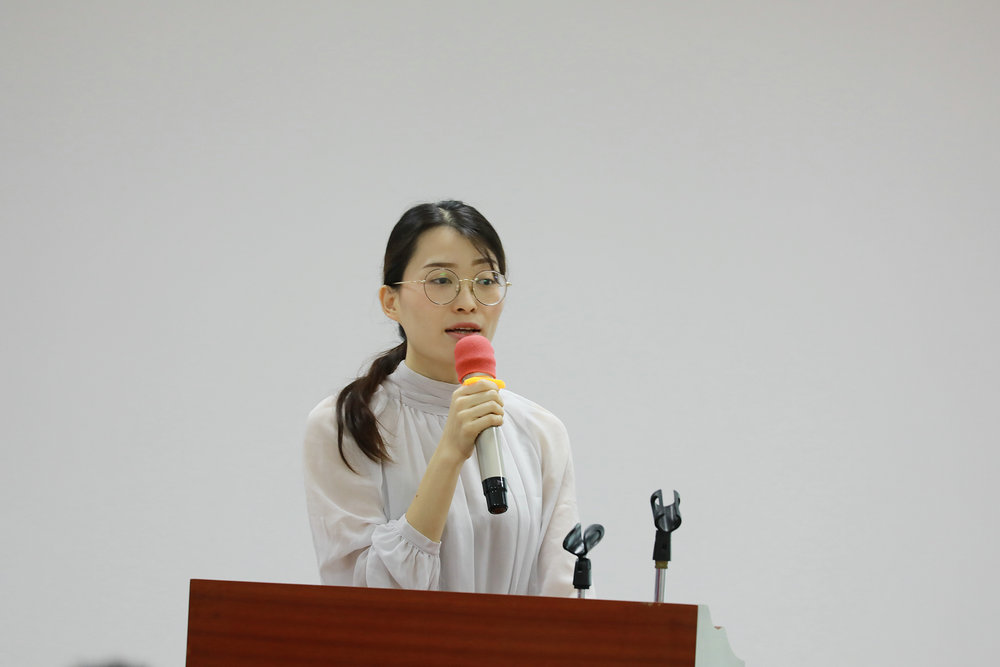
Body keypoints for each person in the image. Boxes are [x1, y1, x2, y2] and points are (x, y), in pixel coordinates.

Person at [303, 200, 581, 596]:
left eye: (486, 280)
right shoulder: (345, 422)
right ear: (391, 301)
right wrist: (449, 452)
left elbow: (563, 593)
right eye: (441, 280)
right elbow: (362, 595)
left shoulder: (540, 431)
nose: (467, 301)